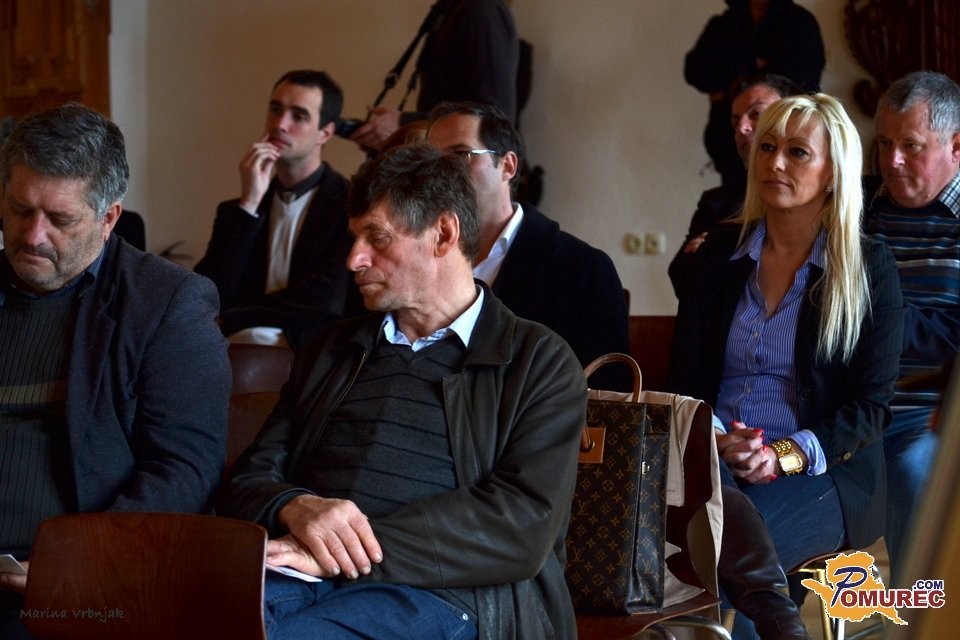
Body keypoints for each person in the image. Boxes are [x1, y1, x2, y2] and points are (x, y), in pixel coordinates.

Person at [221, 143, 586, 639]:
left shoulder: (537, 361)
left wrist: (345, 550)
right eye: (354, 238)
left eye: (376, 237)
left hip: (445, 593)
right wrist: (294, 506)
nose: (354, 259)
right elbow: (252, 476)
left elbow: (520, 525)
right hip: (303, 573)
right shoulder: (332, 349)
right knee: (187, 616)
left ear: (443, 234)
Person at [669, 93, 905, 639]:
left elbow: (870, 409)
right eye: (767, 147)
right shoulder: (721, 254)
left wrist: (782, 454)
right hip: (714, 460)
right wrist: (720, 439)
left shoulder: (868, 266)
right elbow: (686, 381)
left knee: (724, 551)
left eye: (797, 152)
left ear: (832, 172)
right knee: (696, 537)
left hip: (824, 472)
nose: (775, 162)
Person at [0, 104, 230, 637]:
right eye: (18, 210)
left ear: (108, 218)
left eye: (60, 220)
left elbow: (184, 469)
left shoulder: (166, 304)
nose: (32, 236)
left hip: (74, 576)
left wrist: (81, 559)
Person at [424, 101, 629, 388]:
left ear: (507, 166)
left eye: (461, 155)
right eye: (432, 160)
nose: (441, 173)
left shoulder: (582, 268)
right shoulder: (415, 257)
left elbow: (604, 389)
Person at [863, 70, 960, 584]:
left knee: (912, 474)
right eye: (884, 143)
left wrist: (879, 321)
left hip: (931, 415)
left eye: (911, 145)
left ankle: (918, 615)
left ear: (956, 145)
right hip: (847, 411)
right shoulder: (859, 210)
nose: (892, 161)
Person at [195, 69, 351, 350]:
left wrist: (233, 319)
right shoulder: (236, 210)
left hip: (314, 352)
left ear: (325, 133)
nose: (280, 124)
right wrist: (249, 204)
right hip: (236, 347)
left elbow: (324, 300)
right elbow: (210, 291)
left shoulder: (350, 204)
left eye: (299, 116)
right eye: (276, 110)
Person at [670, 72, 800, 299]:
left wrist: (720, 252)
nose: (741, 128)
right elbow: (682, 279)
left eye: (756, 114)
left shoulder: (820, 199)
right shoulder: (716, 203)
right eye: (735, 120)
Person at [684, 0, 824, 190]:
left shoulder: (800, 23)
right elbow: (695, 72)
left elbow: (799, 83)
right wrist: (752, 63)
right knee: (734, 201)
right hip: (728, 144)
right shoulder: (724, 23)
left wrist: (726, 84)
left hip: (783, 138)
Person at [351, 0, 518, 152]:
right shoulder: (451, 9)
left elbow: (494, 115)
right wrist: (399, 130)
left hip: (461, 171)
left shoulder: (482, 10)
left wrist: (403, 123)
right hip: (448, 166)